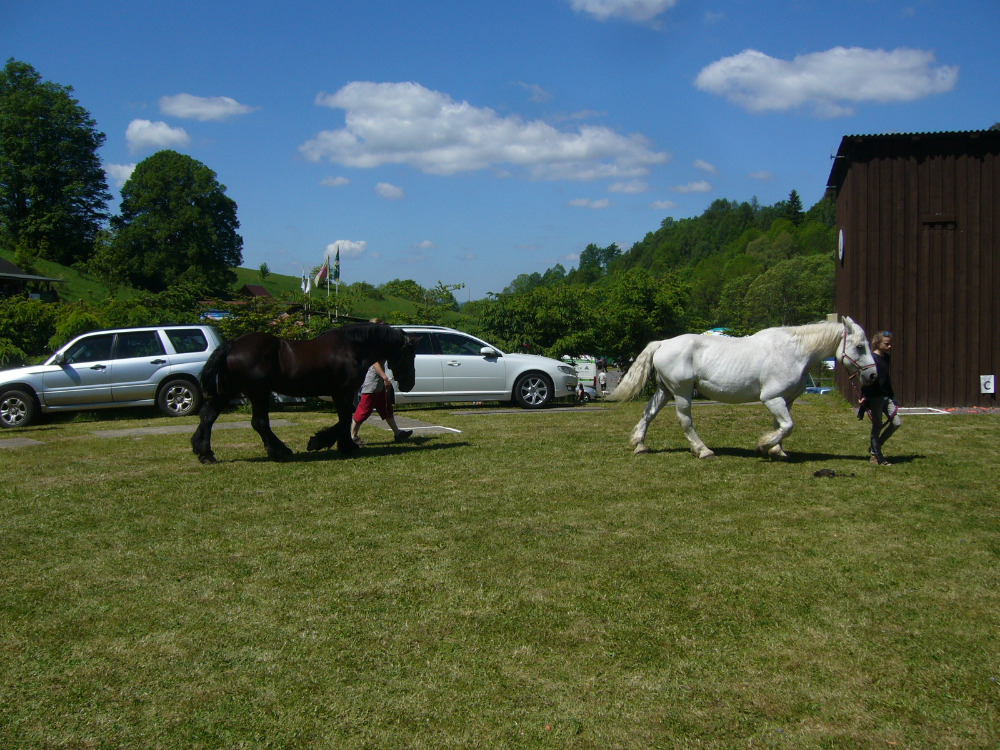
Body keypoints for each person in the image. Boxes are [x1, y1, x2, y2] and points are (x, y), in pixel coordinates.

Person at [350, 320, 413, 445]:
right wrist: (385, 377)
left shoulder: (380, 343)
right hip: (372, 382)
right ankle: (352, 436)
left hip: (378, 383)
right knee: (364, 409)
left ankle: (397, 433)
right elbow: (374, 362)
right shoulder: (372, 344)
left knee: (386, 408)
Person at [859, 330, 901, 465]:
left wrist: (893, 396)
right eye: (887, 344)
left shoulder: (886, 358)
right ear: (878, 343)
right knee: (877, 426)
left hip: (886, 396)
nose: (890, 347)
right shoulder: (871, 359)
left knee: (896, 423)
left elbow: (885, 378)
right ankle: (876, 456)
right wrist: (864, 397)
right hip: (875, 397)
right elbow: (866, 380)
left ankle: (876, 446)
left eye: (890, 344)